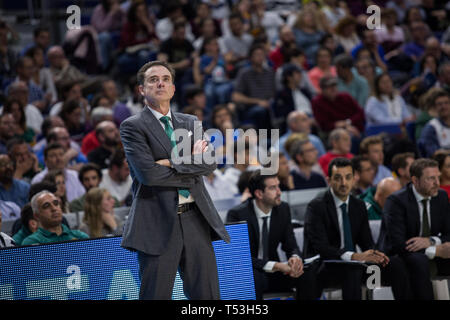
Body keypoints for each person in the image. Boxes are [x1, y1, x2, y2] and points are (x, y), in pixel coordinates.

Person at [119, 60, 230, 299]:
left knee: (207, 297)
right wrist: (191, 164)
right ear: (141, 89)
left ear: (173, 88)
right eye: (153, 79)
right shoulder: (132, 126)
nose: (160, 83)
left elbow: (209, 163)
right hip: (157, 222)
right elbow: (148, 174)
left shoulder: (190, 121)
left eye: (166, 79)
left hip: (196, 219)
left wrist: (170, 162)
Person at [304, 157, 410, 300]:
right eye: (338, 178)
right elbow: (320, 247)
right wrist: (354, 256)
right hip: (325, 265)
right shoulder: (316, 206)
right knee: (352, 269)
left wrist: (375, 254)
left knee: (396, 264)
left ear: (354, 179)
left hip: (353, 264)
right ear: (329, 180)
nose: (343, 183)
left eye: (348, 177)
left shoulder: (358, 205)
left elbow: (366, 241)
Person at [226, 170, 316, 300]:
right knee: (254, 278)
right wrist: (276, 265)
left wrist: (295, 258)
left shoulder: (283, 209)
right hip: (250, 271)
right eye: (273, 188)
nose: (279, 192)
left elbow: (290, 243)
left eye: (278, 186)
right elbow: (238, 257)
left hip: (275, 273)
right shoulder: (237, 214)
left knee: (306, 274)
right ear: (259, 193)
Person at [381, 158, 450, 300]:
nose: (437, 183)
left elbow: (448, 233)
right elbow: (398, 243)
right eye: (431, 179)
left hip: (428, 253)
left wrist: (431, 241)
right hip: (398, 255)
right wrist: (435, 250)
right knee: (419, 261)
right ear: (415, 180)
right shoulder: (396, 201)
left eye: (438, 177)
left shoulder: (441, 196)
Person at [231, 44, 275, 130]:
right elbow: (236, 96)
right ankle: (262, 140)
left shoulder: (270, 72)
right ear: (250, 58)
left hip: (270, 105)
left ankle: (274, 141)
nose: (260, 57)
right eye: (257, 55)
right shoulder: (244, 73)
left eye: (262, 54)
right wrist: (258, 102)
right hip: (251, 108)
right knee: (261, 110)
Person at [21, 191, 89, 245]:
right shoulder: (31, 242)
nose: (54, 208)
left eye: (56, 203)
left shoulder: (80, 237)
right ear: (37, 216)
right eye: (46, 206)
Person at [418, 89, 450, 157]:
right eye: (439, 104)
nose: (444, 107)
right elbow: (434, 153)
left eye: (446, 103)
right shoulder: (431, 128)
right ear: (434, 107)